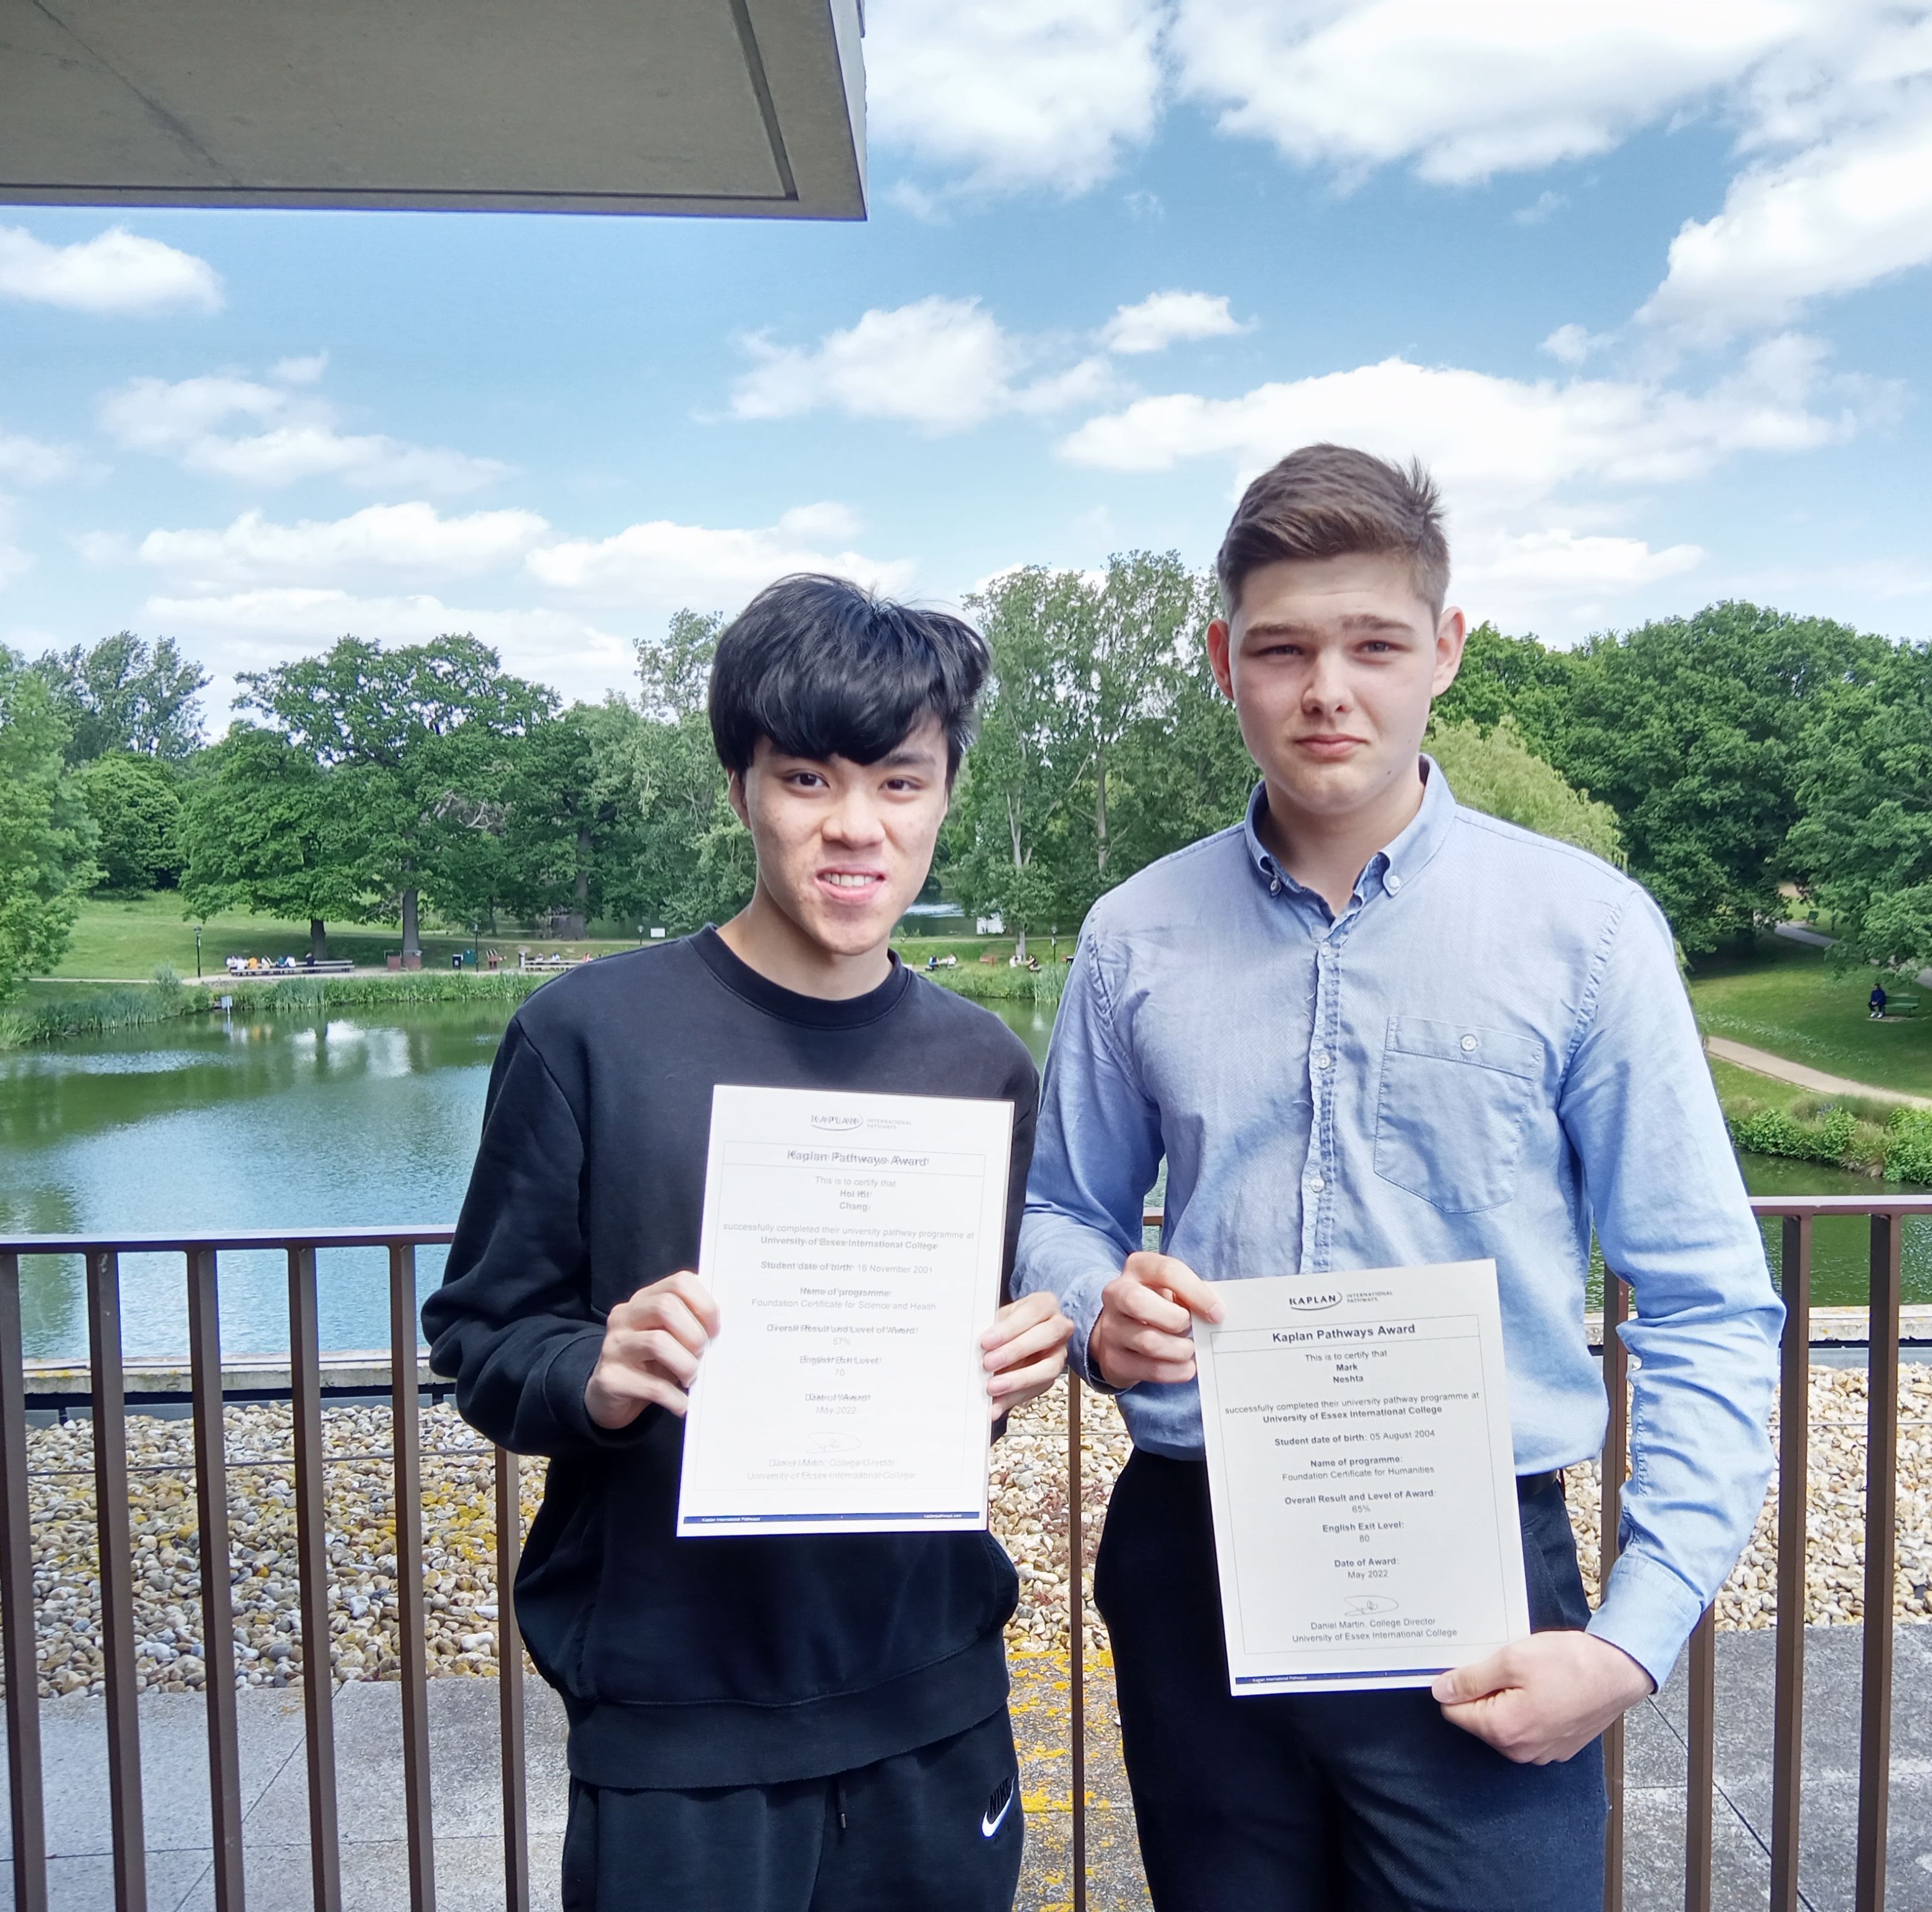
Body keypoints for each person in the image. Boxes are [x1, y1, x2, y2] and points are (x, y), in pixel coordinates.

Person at [1016, 446, 1784, 1912]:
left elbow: (1702, 1302)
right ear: (1220, 660)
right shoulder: (1132, 934)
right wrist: (1089, 1308)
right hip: (1197, 1555)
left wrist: (1630, 1638)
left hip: (1475, 1567)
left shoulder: (1585, 932)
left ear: (1441, 650)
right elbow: (1063, 1212)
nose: (1327, 690)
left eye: (1372, 644)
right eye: (1282, 647)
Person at [424, 575, 1076, 1912]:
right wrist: (596, 1376)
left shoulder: (983, 1065)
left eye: (898, 784)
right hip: (678, 1718)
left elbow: (953, 1381)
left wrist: (1005, 1370)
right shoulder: (588, 1036)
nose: (854, 828)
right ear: (741, 792)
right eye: (805, 780)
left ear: (945, 795)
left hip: (928, 1700)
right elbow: (484, 1340)